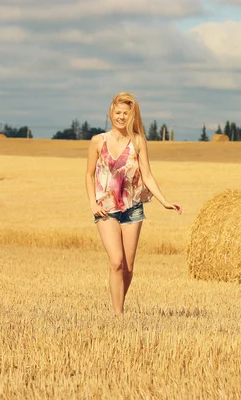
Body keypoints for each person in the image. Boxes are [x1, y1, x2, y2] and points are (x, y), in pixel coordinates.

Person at [85, 92, 182, 315]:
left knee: (127, 268)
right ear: (111, 113)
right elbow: (89, 175)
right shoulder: (98, 141)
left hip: (133, 209)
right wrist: (92, 203)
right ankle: (118, 314)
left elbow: (147, 175)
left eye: (125, 113)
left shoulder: (138, 141)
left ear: (132, 116)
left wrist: (164, 201)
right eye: (117, 112)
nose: (121, 117)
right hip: (106, 209)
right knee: (116, 262)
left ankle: (119, 303)